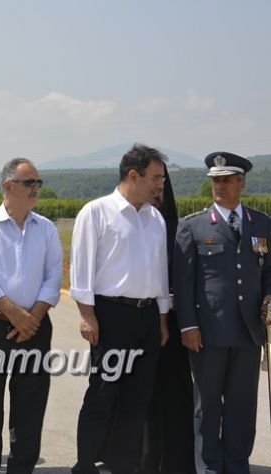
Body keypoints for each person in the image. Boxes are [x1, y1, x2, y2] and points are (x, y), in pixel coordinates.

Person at [70, 144, 170, 474]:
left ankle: (123, 465)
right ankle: (85, 465)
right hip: (111, 316)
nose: (160, 185)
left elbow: (160, 272)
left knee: (137, 399)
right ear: (133, 175)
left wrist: (162, 318)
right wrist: (87, 316)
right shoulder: (96, 212)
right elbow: (81, 272)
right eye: (155, 177)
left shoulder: (155, 217)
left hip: (147, 317)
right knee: (103, 394)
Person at [173, 152, 271, 473]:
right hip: (208, 333)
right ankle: (209, 464)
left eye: (227, 180)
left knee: (242, 405)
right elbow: (183, 283)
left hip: (248, 332)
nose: (220, 186)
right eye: (216, 181)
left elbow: (267, 271)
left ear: (242, 183)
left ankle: (237, 461)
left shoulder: (261, 224)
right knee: (208, 405)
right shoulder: (194, 226)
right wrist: (187, 326)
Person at [0, 157, 62, 474]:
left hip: (35, 328)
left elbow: (53, 277)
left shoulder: (46, 228)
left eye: (38, 182)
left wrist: (32, 316)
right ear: (8, 186)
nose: (36, 188)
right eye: (29, 182)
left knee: (30, 407)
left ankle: (22, 468)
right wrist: (14, 313)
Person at [139, 163, 195, 474]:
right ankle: (142, 459)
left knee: (175, 394)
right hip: (139, 321)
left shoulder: (180, 229)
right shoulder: (132, 227)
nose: (157, 193)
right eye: (153, 186)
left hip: (173, 326)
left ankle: (178, 461)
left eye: (162, 188)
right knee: (140, 395)